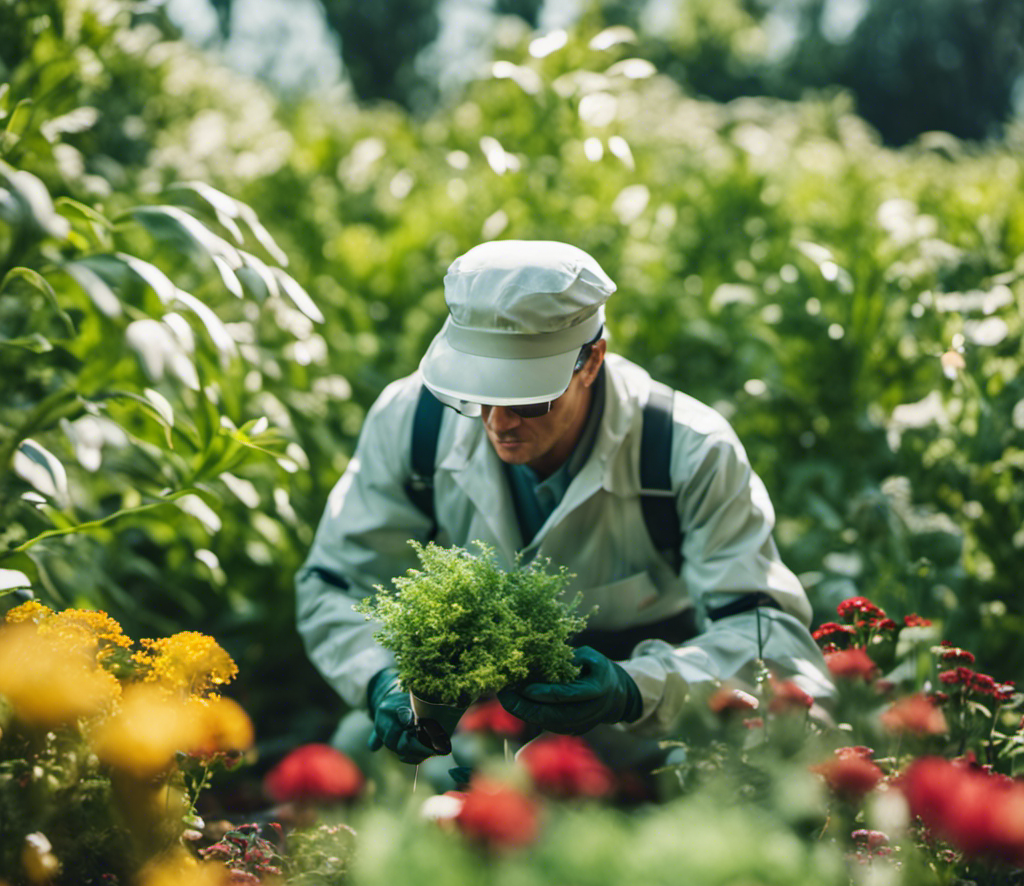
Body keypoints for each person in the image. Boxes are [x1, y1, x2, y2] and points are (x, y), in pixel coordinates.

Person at [296, 239, 834, 771]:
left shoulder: (687, 451)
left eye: (528, 396)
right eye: (478, 390)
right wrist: (380, 679)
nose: (498, 422)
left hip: (643, 730)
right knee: (355, 752)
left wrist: (633, 688)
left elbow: (770, 637)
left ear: (592, 360)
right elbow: (335, 582)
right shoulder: (412, 422)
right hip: (475, 717)